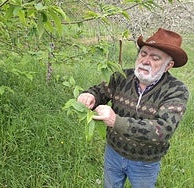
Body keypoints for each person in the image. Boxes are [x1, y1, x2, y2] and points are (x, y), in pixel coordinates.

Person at [77, 28, 189, 188]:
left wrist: (115, 120)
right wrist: (90, 95)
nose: (145, 61)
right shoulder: (122, 77)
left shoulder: (176, 90)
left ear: (168, 65)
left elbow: (162, 130)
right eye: (143, 54)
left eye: (155, 58)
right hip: (113, 151)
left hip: (145, 162)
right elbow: (101, 91)